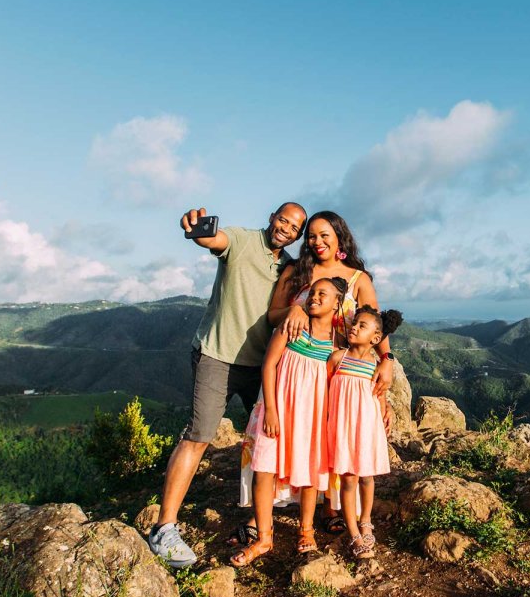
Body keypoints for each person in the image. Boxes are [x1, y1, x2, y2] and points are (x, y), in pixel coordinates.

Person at [147, 202, 306, 568]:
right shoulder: (241, 240)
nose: (286, 229)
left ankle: (257, 517)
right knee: (199, 435)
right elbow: (212, 240)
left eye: (295, 227)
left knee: (269, 440)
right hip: (216, 356)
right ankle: (164, 528)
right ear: (271, 217)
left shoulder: (291, 268)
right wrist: (197, 230)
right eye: (283, 220)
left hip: (261, 364)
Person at [229, 211, 395, 540]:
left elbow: (373, 322)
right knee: (276, 440)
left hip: (335, 372)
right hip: (294, 366)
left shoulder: (358, 279)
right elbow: (273, 314)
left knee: (321, 439)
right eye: (312, 236)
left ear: (339, 237)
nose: (317, 242)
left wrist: (387, 358)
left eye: (324, 235)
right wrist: (293, 308)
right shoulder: (297, 270)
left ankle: (330, 507)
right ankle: (263, 514)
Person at [232, 277, 348, 566]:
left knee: (310, 473)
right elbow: (269, 364)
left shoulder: (336, 340)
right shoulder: (293, 326)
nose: (314, 297)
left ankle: (306, 530)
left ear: (337, 303)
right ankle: (264, 537)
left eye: (324, 294)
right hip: (279, 411)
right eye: (312, 292)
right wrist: (270, 409)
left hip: (312, 417)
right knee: (264, 469)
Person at [327, 306, 403, 559]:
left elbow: (379, 396)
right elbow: (325, 391)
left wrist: (386, 411)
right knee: (348, 479)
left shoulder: (377, 365)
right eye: (355, 323)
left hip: (366, 428)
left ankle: (366, 520)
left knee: (367, 477)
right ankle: (353, 533)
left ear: (375, 338)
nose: (354, 327)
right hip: (342, 428)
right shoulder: (337, 358)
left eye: (362, 326)